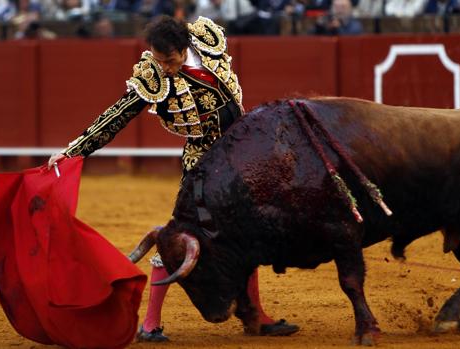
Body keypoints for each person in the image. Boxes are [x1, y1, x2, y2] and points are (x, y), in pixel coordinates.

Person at [46, 15, 299, 342]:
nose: (164, 67)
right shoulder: (152, 74)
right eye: (158, 59)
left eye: (170, 60)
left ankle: (256, 317)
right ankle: (150, 325)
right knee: (181, 238)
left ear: (185, 48)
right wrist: (74, 151)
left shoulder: (207, 41)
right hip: (203, 163)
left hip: (240, 154)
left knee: (246, 234)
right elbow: (117, 114)